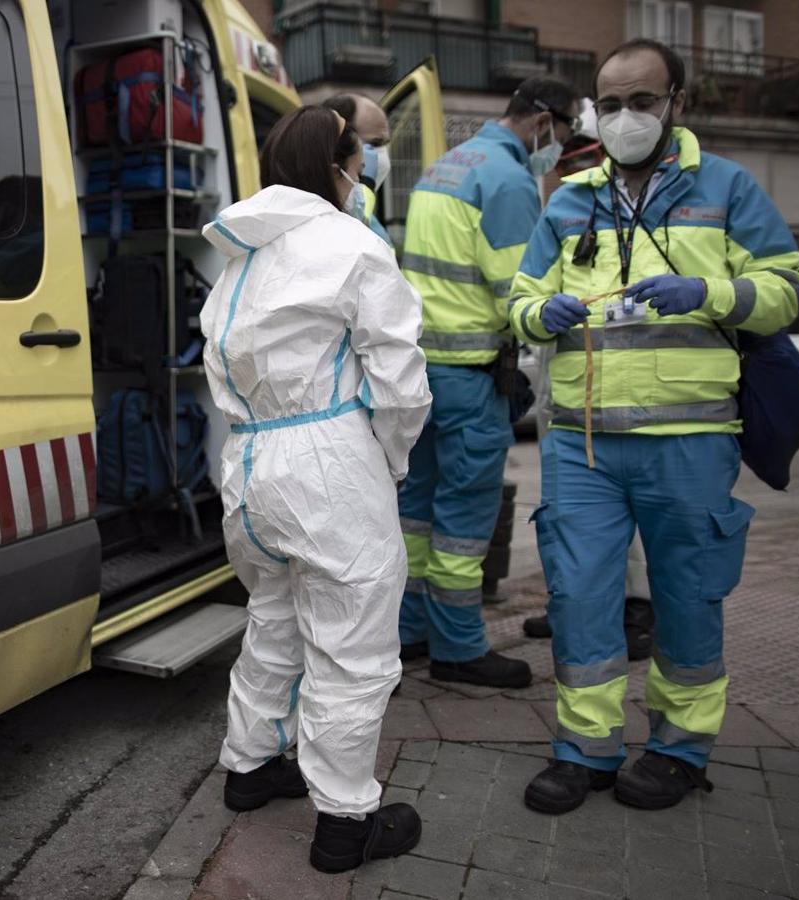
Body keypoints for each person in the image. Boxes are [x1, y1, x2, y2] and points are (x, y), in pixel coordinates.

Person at [509, 39, 799, 815]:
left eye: (641, 101)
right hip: (583, 444)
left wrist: (710, 293)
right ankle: (585, 750)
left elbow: (787, 286)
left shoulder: (728, 187)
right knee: (579, 599)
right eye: (610, 104)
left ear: (676, 102)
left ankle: (678, 750)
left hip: (689, 441)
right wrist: (540, 313)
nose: (625, 117)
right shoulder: (570, 198)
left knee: (687, 598)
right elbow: (519, 300)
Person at [204, 105, 432, 874]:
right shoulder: (352, 244)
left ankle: (250, 767)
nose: (366, 170)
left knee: (273, 619)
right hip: (329, 462)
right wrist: (389, 461)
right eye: (361, 157)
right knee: (348, 645)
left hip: (250, 465)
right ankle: (344, 823)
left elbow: (222, 379)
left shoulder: (238, 261)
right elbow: (400, 381)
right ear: (339, 166)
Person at [396, 76, 579, 688]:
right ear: (544, 123)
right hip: (472, 375)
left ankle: (409, 633)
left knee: (416, 512)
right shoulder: (508, 181)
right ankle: (458, 647)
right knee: (464, 518)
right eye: (564, 133)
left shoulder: (442, 168)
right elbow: (519, 293)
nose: (559, 149)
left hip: (419, 372)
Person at [521, 99, 655, 661]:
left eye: (578, 163)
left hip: (626, 390)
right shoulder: (565, 211)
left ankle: (637, 610)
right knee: (566, 513)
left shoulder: (640, 216)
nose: (568, 175)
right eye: (565, 166)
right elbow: (528, 290)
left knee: (625, 516)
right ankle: (570, 604)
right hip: (567, 386)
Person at [321, 93, 393, 246]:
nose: (382, 153)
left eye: (386, 143)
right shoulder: (322, 216)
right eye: (375, 144)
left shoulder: (370, 218)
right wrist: (365, 187)